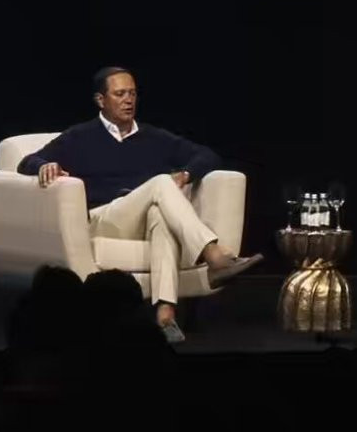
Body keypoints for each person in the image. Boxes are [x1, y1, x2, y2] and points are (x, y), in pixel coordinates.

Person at [16, 66, 263, 342]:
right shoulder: (79, 136)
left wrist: (186, 174)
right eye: (120, 94)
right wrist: (44, 165)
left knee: (161, 216)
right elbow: (26, 162)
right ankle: (213, 254)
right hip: (103, 218)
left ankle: (165, 315)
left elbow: (207, 155)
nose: (128, 100)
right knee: (161, 183)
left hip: (143, 218)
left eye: (132, 94)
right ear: (101, 100)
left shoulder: (153, 137)